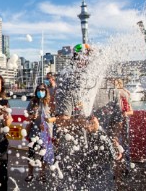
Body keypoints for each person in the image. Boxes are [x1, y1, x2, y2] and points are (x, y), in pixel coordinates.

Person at [53, 44, 122, 190]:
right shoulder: (71, 89)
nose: (82, 62)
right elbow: (60, 121)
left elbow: (117, 121)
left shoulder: (112, 92)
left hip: (103, 159)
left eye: (87, 58)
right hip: (74, 159)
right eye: (78, 59)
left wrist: (114, 139)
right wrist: (81, 123)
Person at [25, 83, 54, 183]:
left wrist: (47, 122)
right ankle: (30, 174)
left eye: (42, 90)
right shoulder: (33, 102)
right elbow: (27, 115)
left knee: (43, 155)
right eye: (38, 90)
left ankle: (42, 174)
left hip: (45, 133)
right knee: (31, 154)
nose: (40, 92)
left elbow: (54, 117)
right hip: (34, 132)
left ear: (46, 91)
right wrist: (32, 116)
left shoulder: (49, 102)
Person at [113, 78, 133, 189]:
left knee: (123, 145)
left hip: (123, 122)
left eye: (115, 84)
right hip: (119, 122)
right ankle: (121, 170)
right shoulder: (118, 94)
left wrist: (125, 114)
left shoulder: (123, 94)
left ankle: (125, 169)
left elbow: (130, 111)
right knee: (120, 145)